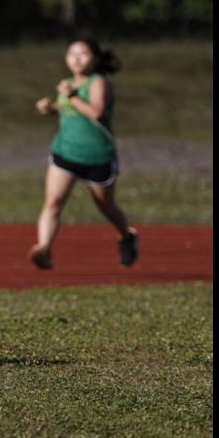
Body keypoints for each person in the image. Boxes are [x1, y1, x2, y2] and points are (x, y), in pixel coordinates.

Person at [29, 37, 138, 271]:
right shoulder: (67, 83)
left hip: (97, 156)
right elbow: (71, 114)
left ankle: (126, 236)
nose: (76, 59)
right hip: (65, 152)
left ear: (96, 58)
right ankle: (44, 248)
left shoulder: (98, 82)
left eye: (83, 54)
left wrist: (72, 96)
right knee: (53, 202)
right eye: (71, 54)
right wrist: (51, 108)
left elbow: (96, 112)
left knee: (106, 206)